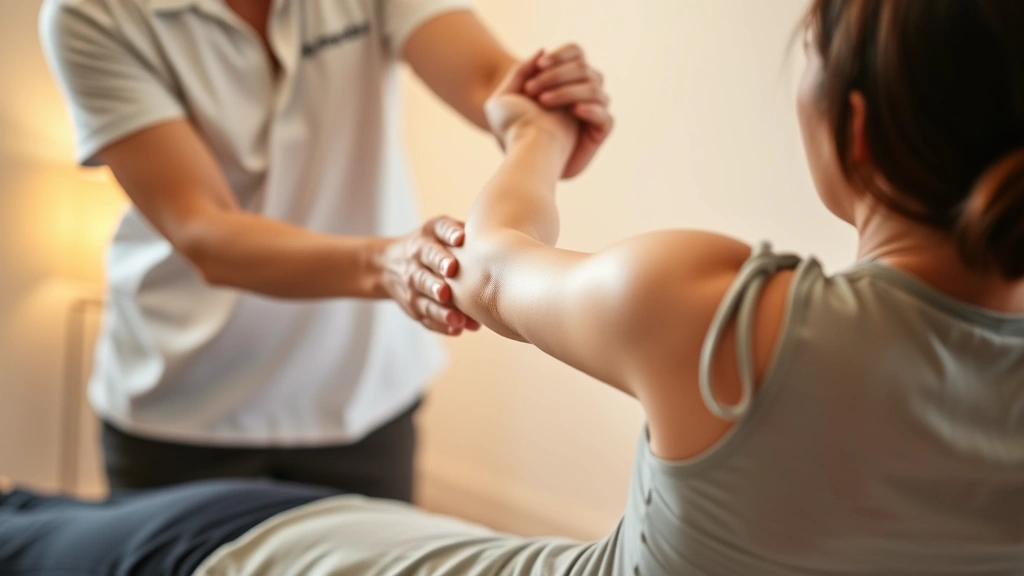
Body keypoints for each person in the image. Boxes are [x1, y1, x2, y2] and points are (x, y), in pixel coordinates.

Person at [7, 0, 1024, 574]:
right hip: (188, 386)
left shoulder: (725, 314)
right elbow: (204, 232)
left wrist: (534, 128)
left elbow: (488, 258)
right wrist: (531, 110)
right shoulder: (92, 14)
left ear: (852, 133)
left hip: (345, 421)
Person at [38, 0, 613, 500]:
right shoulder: (91, 13)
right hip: (186, 408)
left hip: (361, 395)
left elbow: (493, 81)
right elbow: (206, 230)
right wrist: (390, 264)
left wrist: (545, 116)